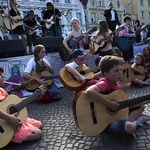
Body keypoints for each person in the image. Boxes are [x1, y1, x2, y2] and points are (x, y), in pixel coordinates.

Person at [83, 55, 150, 137]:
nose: (120, 73)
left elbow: (123, 105)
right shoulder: (105, 83)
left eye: (121, 70)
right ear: (106, 74)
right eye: (116, 71)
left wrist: (146, 100)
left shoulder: (118, 86)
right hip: (104, 121)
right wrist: (110, 104)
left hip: (114, 115)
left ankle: (129, 121)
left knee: (141, 106)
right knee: (130, 127)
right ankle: (136, 122)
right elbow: (90, 91)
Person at [0, 66, 42, 145]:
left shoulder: (1, 90)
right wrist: (9, 118)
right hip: (5, 124)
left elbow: (13, 104)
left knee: (40, 125)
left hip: (10, 120)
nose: (3, 76)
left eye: (2, 74)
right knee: (37, 133)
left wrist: (33, 97)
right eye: (0, 75)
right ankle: (7, 136)